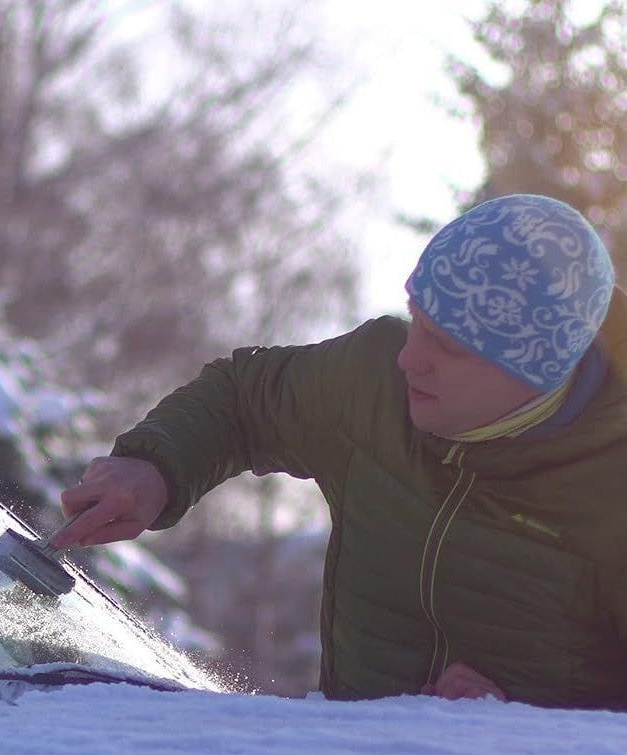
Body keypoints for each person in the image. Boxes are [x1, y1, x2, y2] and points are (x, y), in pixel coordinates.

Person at [53, 193, 627, 709]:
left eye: (445, 346)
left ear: (534, 373)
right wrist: (155, 465)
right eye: (416, 321)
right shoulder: (371, 383)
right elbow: (242, 399)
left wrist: (535, 734)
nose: (409, 357)